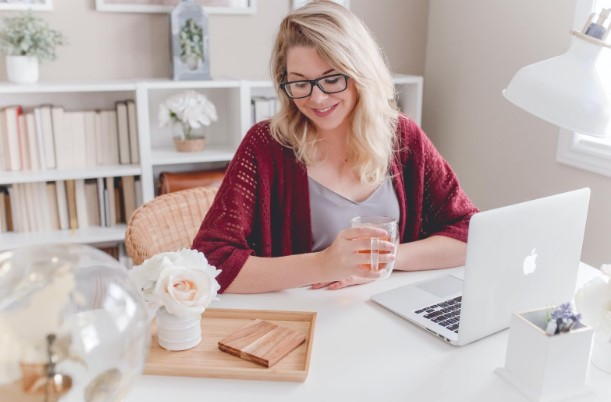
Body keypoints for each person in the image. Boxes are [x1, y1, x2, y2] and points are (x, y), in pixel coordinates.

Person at [192, 0, 478, 294]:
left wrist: (382, 260)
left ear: (361, 73)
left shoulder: (403, 137)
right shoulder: (265, 145)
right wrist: (324, 264)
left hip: (387, 314)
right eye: (300, 83)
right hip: (302, 321)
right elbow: (210, 262)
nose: (316, 99)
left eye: (331, 79)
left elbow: (470, 233)